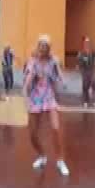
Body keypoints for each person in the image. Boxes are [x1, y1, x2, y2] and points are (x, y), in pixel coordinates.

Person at [23, 35, 70, 176]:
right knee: (32, 133)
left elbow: (59, 74)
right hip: (35, 98)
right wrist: (25, 94)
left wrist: (63, 82)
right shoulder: (33, 62)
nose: (43, 48)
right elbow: (28, 79)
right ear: (38, 46)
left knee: (56, 128)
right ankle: (42, 155)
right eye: (41, 45)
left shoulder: (53, 61)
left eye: (46, 46)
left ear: (49, 48)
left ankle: (60, 161)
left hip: (49, 96)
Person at [77, 37, 95, 108]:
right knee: (85, 86)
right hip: (85, 70)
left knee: (93, 84)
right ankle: (85, 101)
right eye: (85, 42)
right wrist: (79, 66)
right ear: (83, 43)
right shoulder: (81, 52)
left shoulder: (92, 51)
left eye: (88, 42)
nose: (87, 44)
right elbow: (79, 61)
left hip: (92, 70)